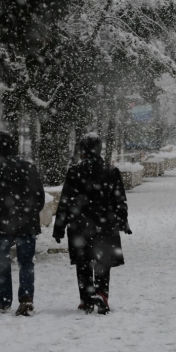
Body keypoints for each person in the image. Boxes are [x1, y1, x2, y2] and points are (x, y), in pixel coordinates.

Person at [53, 133, 132, 314]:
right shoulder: (111, 171)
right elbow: (120, 199)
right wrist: (123, 221)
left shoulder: (74, 172)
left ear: (83, 150)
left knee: (83, 263)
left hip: (80, 226)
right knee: (102, 262)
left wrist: (59, 228)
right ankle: (102, 294)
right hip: (105, 224)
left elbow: (65, 201)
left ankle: (86, 298)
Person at [0, 131, 45, 316]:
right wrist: (30, 214)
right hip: (27, 223)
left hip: (2, 225)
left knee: (2, 263)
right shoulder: (29, 168)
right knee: (26, 263)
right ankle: (26, 297)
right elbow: (39, 197)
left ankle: (4, 300)